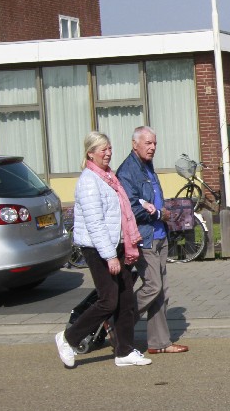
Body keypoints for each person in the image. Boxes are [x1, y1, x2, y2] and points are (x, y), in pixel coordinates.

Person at [54, 131, 147, 368]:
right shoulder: (89, 181)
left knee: (125, 300)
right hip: (97, 248)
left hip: (117, 245)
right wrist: (110, 256)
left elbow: (118, 212)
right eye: (102, 149)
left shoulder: (108, 177)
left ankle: (124, 351)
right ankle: (68, 338)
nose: (108, 153)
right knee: (109, 300)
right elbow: (95, 223)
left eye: (109, 148)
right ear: (90, 153)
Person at [117, 126, 188, 355]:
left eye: (154, 143)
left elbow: (152, 198)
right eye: (148, 143)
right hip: (143, 238)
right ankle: (118, 321)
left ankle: (159, 343)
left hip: (160, 235)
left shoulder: (147, 165)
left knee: (162, 291)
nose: (152, 147)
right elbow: (130, 208)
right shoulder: (127, 171)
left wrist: (162, 214)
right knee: (153, 286)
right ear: (134, 144)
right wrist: (158, 214)